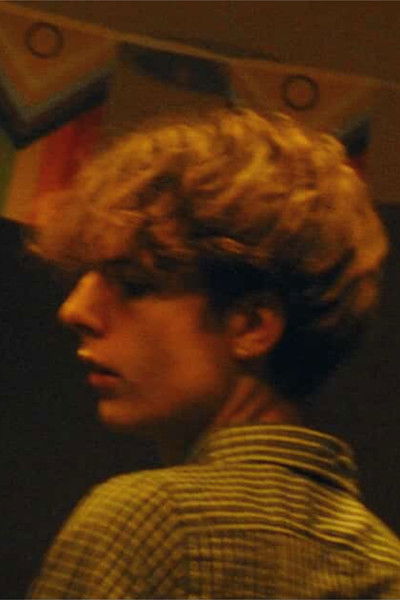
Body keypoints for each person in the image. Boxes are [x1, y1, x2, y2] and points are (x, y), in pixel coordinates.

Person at [28, 108, 400, 598]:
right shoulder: (384, 559)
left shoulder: (148, 522)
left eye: (135, 284)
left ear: (251, 326)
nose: (75, 310)